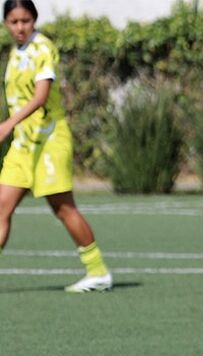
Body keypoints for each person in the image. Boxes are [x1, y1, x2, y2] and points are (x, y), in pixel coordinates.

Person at [0, 0, 110, 292]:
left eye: (26, 20)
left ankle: (98, 271)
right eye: (14, 22)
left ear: (34, 20)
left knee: (62, 208)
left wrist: (7, 124)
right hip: (23, 146)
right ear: (5, 23)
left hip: (49, 141)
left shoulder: (43, 49)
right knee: (1, 208)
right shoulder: (15, 54)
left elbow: (39, 98)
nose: (20, 27)